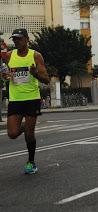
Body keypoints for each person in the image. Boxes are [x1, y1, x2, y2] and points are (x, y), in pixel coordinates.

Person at [1, 29, 50, 174]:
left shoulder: (35, 56)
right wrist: (5, 76)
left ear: (27, 39)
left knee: (30, 134)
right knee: (12, 133)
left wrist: (35, 74)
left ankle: (31, 162)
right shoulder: (9, 56)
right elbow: (7, 74)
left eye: (19, 39)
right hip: (15, 99)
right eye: (14, 39)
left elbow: (46, 79)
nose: (16, 41)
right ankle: (25, 125)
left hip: (31, 99)